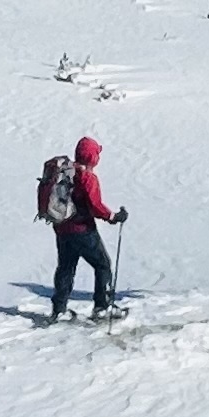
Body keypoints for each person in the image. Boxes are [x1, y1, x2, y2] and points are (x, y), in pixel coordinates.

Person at [51, 132, 125, 319]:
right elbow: (95, 206)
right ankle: (102, 307)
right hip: (83, 230)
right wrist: (114, 216)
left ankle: (59, 310)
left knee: (66, 268)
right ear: (93, 157)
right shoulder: (87, 178)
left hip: (62, 229)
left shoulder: (65, 173)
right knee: (103, 265)